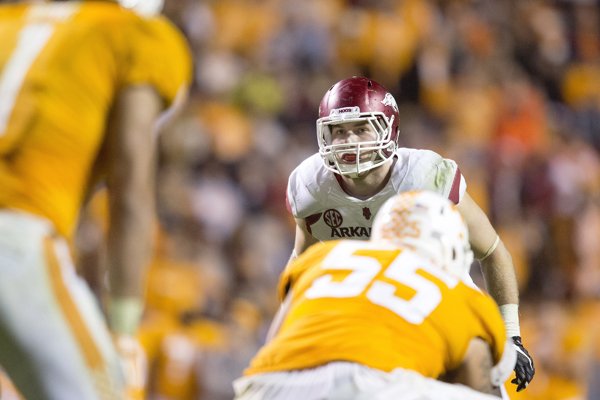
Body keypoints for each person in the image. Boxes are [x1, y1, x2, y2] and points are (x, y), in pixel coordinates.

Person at [285, 76, 534, 392]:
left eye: (360, 129)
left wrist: (510, 333)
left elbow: (492, 250)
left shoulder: (424, 176)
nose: (347, 141)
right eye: (338, 131)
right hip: (376, 319)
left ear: (388, 129)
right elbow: (301, 266)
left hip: (447, 306)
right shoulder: (311, 188)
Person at [0, 0, 192, 398]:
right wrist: (123, 327)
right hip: (15, 229)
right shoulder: (133, 35)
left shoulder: (11, 21)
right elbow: (130, 182)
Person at [234, 190, 516, 400]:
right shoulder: (458, 293)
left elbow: (275, 338)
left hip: (267, 386)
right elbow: (479, 381)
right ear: (453, 249)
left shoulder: (323, 256)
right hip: (371, 387)